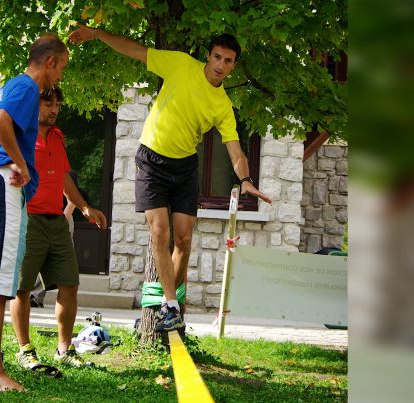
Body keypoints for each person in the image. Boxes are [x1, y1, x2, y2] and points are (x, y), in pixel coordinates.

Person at [68, 25, 272, 332]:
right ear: (208, 56)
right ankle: (171, 306)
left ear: (233, 66)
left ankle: (167, 305)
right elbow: (134, 49)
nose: (221, 65)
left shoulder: (222, 105)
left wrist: (245, 179)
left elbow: (235, 150)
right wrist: (97, 34)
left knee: (184, 239)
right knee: (160, 232)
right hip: (152, 159)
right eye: (217, 57)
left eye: (228, 61)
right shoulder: (179, 64)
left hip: (185, 167)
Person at [0, 33, 68, 391]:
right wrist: (21, 164)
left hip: (2, 185)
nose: (60, 78)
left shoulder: (15, 85)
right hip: (5, 181)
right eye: (61, 69)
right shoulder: (27, 87)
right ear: (49, 62)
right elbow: (0, 120)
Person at [9, 86, 108, 372]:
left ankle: (64, 349)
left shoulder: (58, 136)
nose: (53, 109)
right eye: (47, 103)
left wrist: (85, 207)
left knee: (69, 284)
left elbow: (64, 177)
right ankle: (25, 350)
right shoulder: (20, 136)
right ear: (33, 104)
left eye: (57, 104)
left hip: (57, 222)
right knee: (23, 289)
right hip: (29, 219)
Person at [29, 170, 77, 308]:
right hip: (42, 218)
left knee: (56, 259)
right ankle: (33, 295)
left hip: (63, 217)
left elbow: (72, 202)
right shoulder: (37, 170)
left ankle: (37, 296)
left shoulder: (68, 173)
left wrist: (61, 222)